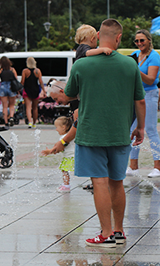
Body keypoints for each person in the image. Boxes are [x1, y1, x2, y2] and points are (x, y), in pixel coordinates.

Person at [65, 19, 146, 247]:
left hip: (91, 131)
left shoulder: (81, 65)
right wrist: (139, 128)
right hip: (120, 131)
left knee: (99, 182)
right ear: (119, 38)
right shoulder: (130, 65)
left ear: (98, 35)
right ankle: (119, 231)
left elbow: (70, 93)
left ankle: (106, 233)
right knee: (117, 181)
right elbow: (139, 100)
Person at [127, 29, 160, 178]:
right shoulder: (135, 54)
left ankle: (157, 167)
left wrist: (134, 68)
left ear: (149, 40)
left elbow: (150, 80)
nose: (139, 43)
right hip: (135, 96)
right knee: (133, 130)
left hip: (149, 94)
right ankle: (133, 167)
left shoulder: (154, 56)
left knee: (151, 130)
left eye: (142, 40)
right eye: (137, 41)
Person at [41, 116, 75, 192]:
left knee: (64, 170)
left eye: (57, 127)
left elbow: (59, 148)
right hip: (73, 156)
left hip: (70, 157)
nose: (56, 129)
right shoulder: (69, 136)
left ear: (63, 127)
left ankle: (66, 186)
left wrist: (49, 151)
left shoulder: (63, 138)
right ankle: (66, 184)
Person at [21, 56, 45, 128]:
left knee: (28, 107)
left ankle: (30, 122)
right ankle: (34, 123)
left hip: (27, 90)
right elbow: (40, 82)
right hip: (35, 90)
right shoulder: (38, 71)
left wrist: (19, 89)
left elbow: (22, 82)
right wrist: (43, 90)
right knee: (35, 107)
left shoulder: (25, 71)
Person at [0, 56, 18, 125]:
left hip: (3, 87)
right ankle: (11, 117)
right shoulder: (12, 70)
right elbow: (16, 78)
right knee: (11, 105)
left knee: (4, 106)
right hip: (11, 87)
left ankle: (6, 122)